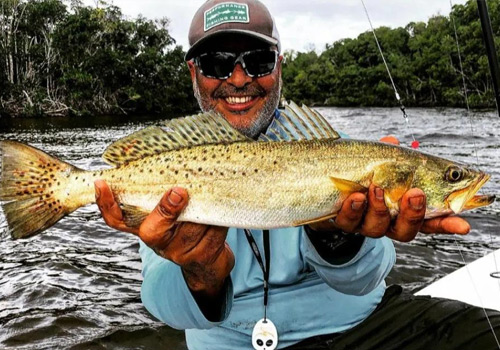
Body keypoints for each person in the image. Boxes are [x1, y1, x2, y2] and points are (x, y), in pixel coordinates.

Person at [94, 0, 499, 349]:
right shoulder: (175, 161)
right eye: (216, 64)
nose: (238, 79)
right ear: (193, 73)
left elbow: (369, 278)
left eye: (257, 61)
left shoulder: (338, 146)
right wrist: (201, 272)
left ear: (279, 66)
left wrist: (337, 238)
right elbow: (162, 302)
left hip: (362, 328)